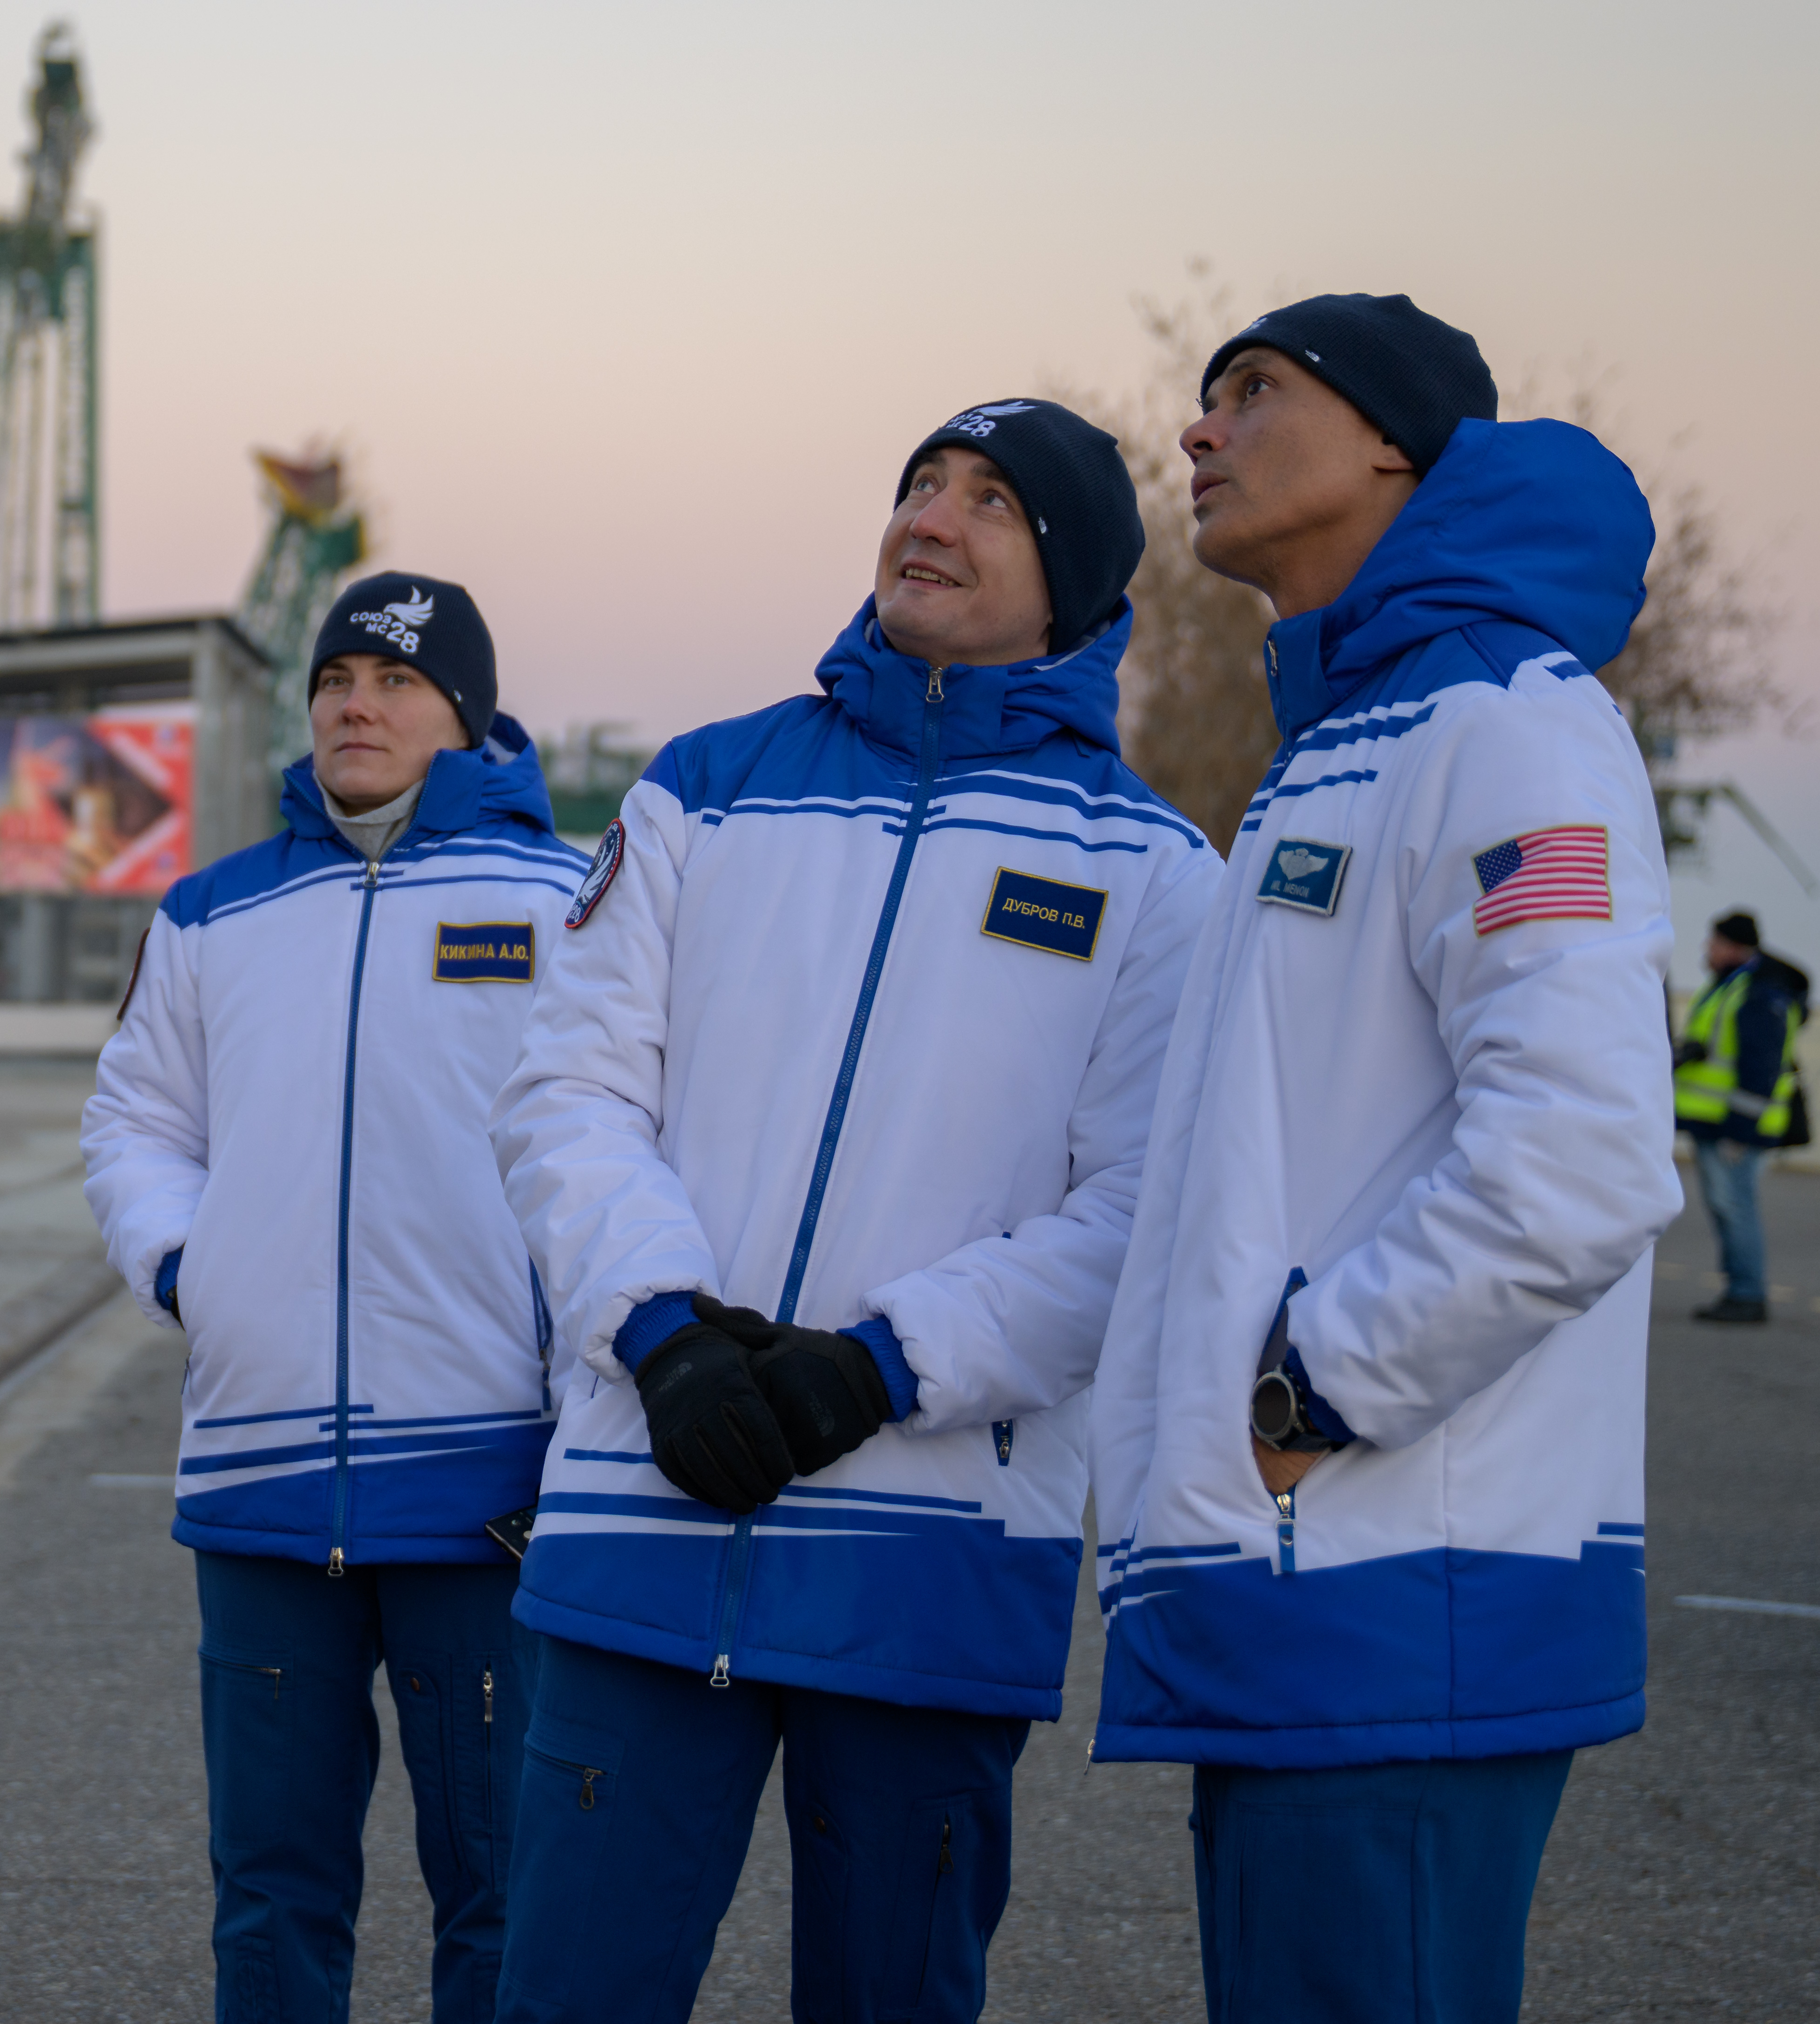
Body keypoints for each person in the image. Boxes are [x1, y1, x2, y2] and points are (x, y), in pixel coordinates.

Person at [489, 402, 1218, 2024]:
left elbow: (1143, 1212)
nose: (931, 519)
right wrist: (663, 1334)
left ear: (1080, 580)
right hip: (647, 1503)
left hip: (931, 1551)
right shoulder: (705, 789)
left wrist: (884, 1366)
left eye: (991, 501)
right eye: (920, 485)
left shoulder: (1158, 871)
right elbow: (567, 1093)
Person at [1088, 295, 1682, 2022]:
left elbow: (1578, 1154)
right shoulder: (1339, 746)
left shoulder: (1504, 723)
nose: (1196, 431)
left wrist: (1308, 1390)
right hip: (1307, 1592)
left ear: (1393, 448)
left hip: (1398, 1589)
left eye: (1253, 390)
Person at [82, 572, 587, 2024]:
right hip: (259, 1478)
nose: (356, 705)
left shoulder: (569, 902)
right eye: (335, 680)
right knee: (270, 1884)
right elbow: (135, 1120)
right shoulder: (215, 913)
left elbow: (635, 1140)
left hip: (489, 1478)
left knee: (501, 1883)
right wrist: (188, 1267)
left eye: (397, 681)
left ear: (467, 716)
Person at [1675, 908, 1809, 1323]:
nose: (1707, 949)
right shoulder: (1732, 985)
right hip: (1718, 1122)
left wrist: (1740, 1130)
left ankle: (1747, 1294)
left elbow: (1761, 1068)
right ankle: (1740, 1290)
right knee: (1727, 1206)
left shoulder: (1759, 991)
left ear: (1734, 947)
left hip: (1735, 1126)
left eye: (1714, 942)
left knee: (1735, 1206)